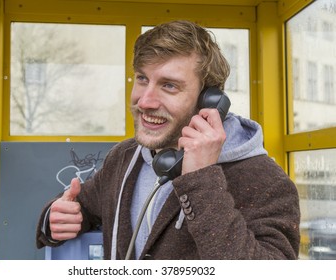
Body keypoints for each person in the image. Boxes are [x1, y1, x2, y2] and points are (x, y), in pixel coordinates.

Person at [36, 20, 300, 260]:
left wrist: (202, 180)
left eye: (169, 85)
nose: (145, 101)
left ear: (209, 100)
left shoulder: (265, 180)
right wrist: (56, 217)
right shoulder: (125, 157)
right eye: (142, 79)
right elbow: (80, 204)